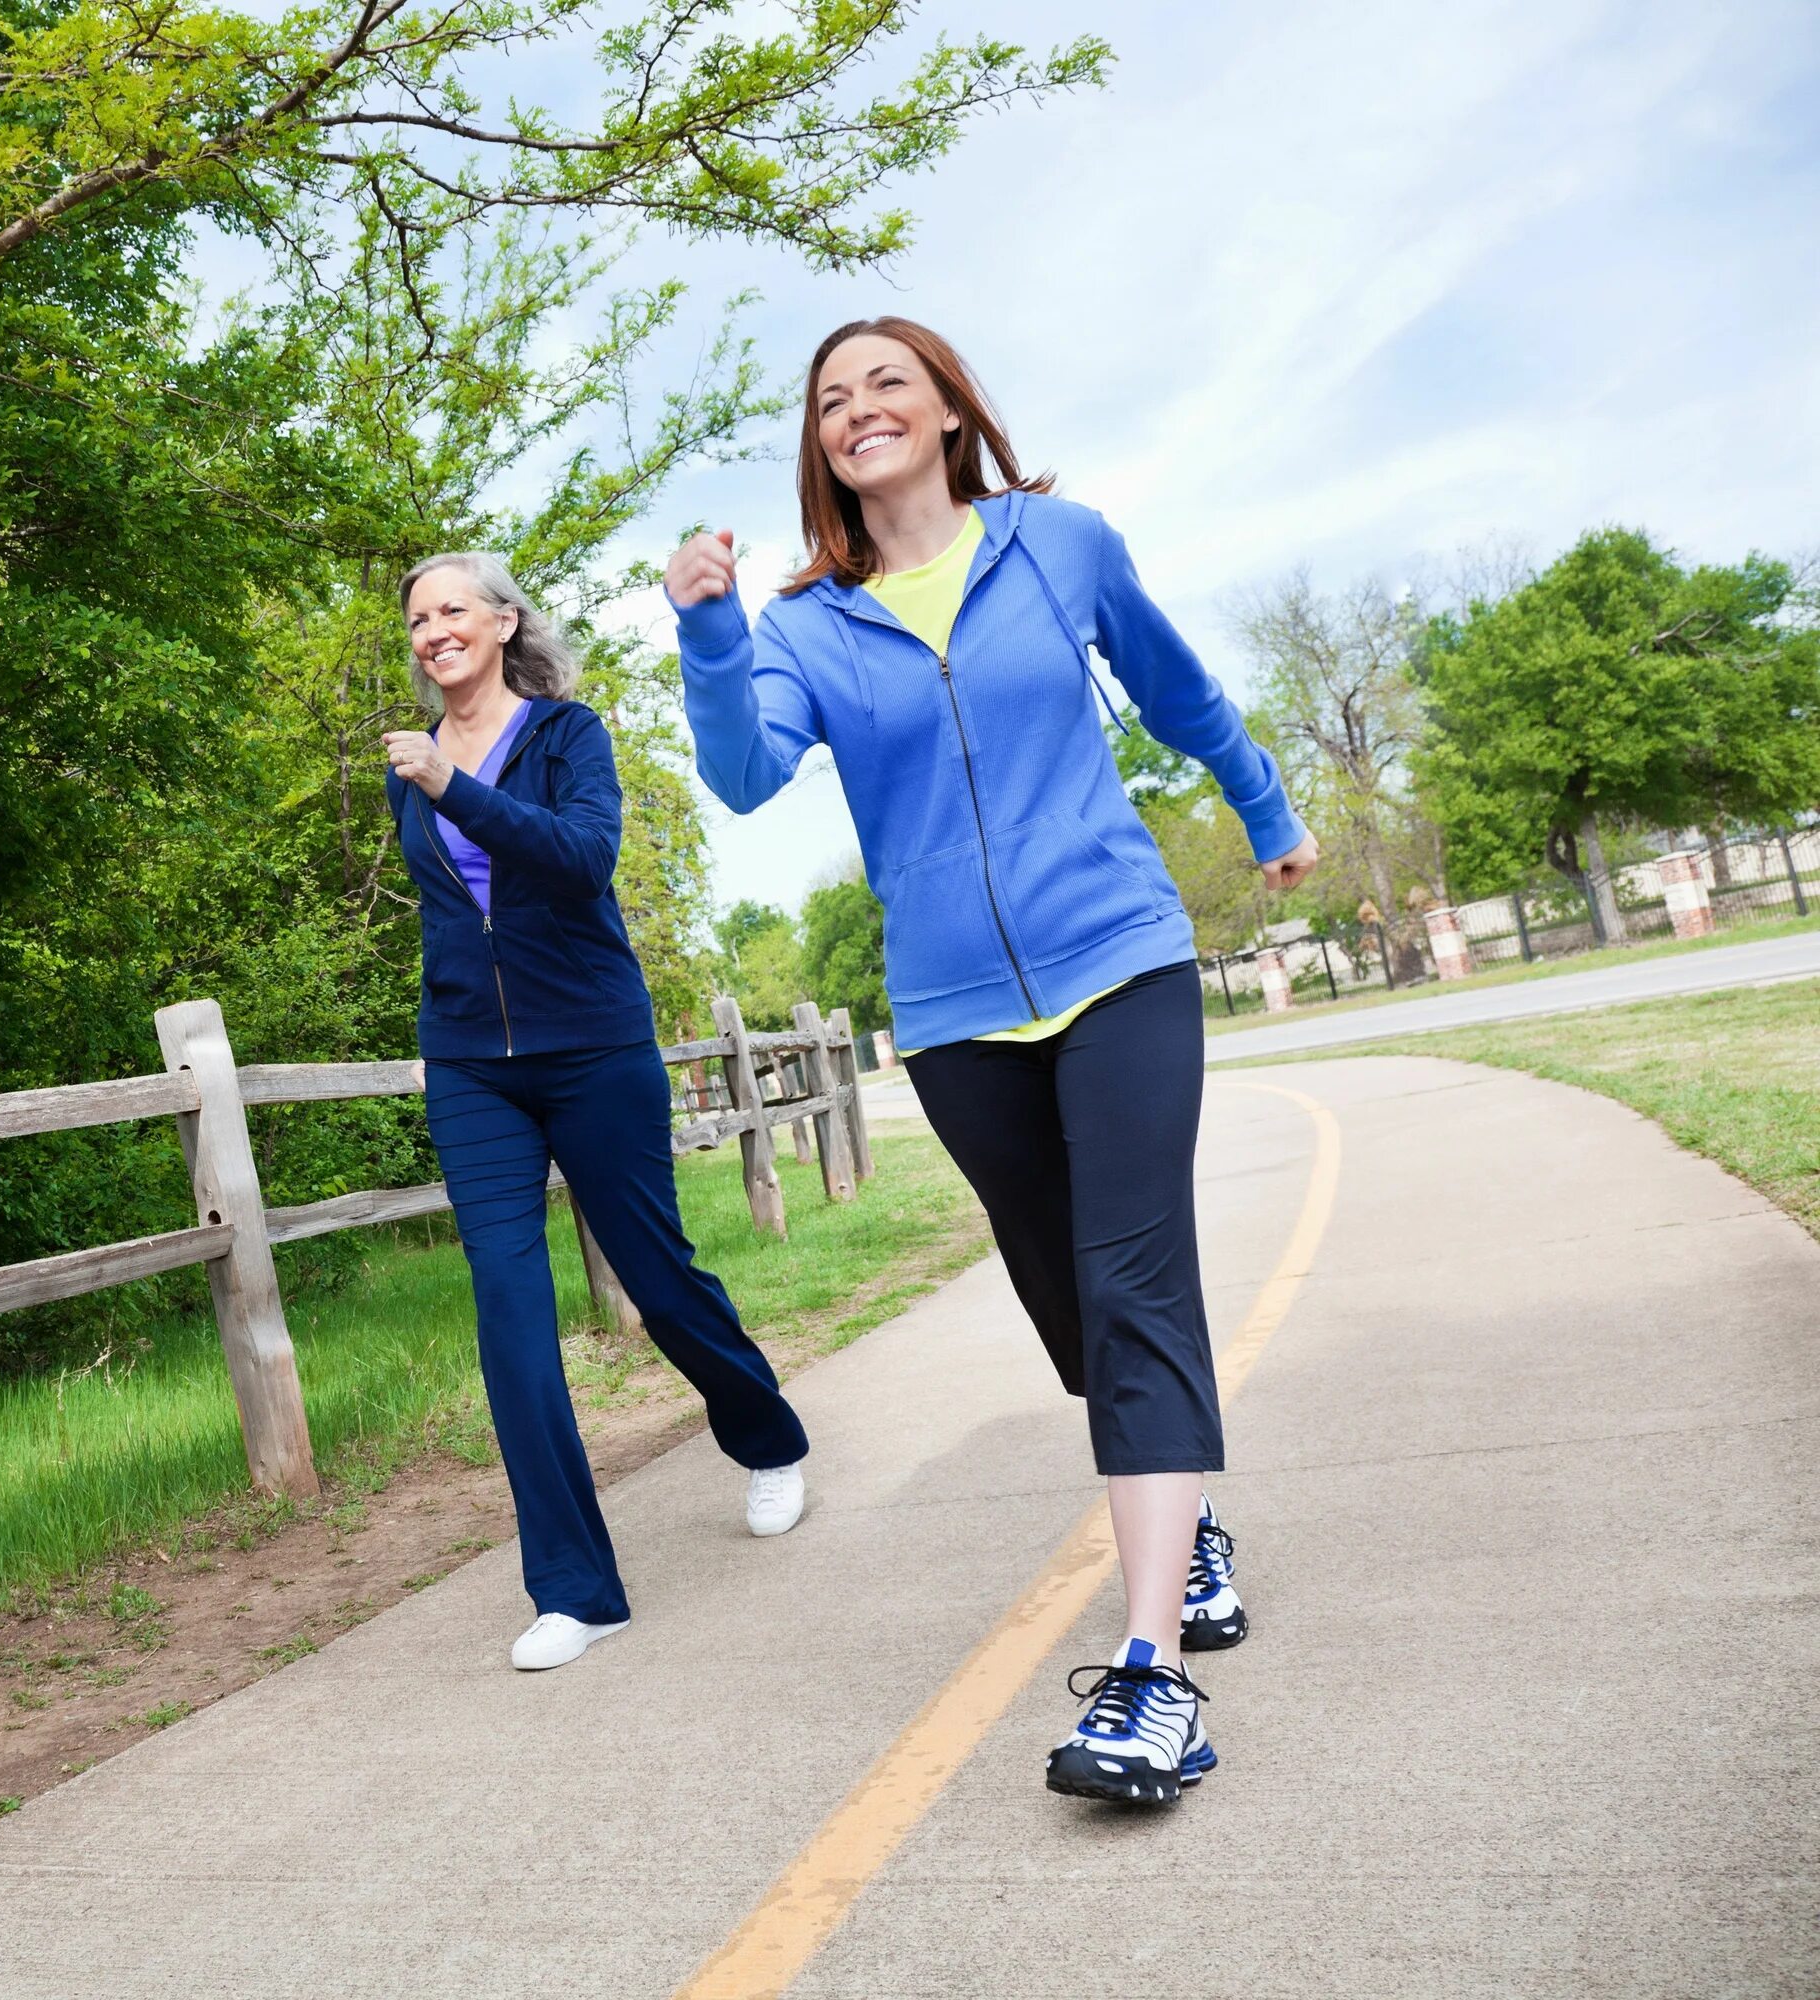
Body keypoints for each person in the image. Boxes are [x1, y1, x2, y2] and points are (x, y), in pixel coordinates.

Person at [664, 317, 1315, 1804]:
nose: (859, 408)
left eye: (888, 381)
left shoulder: (1059, 542)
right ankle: (1189, 1513)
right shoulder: (808, 629)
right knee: (1065, 1293)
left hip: (1120, 957)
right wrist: (709, 631)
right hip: (957, 1011)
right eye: (832, 399)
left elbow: (1178, 688)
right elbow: (747, 776)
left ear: (952, 408)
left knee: (1138, 1277)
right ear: (819, 449)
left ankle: (1152, 1675)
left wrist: (1266, 809)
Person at [382, 551, 812, 1673]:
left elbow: (582, 861)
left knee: (657, 1275)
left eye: (451, 609)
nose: (432, 631)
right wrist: (439, 1033)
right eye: (416, 619)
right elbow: (447, 916)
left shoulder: (569, 735)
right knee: (510, 1310)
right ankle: (575, 1586)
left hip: (594, 1048)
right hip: (475, 1066)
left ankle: (766, 1436)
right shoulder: (410, 764)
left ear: (502, 619)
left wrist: (449, 785)